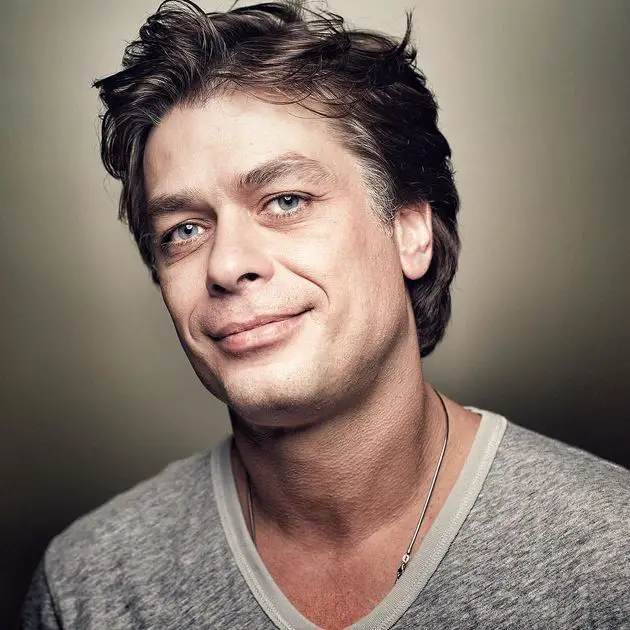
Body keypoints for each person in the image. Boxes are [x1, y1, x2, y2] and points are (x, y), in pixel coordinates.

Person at [20, 1, 629, 628]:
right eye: (185, 230)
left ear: (410, 230)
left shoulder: (611, 556)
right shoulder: (88, 587)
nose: (226, 264)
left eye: (286, 200)